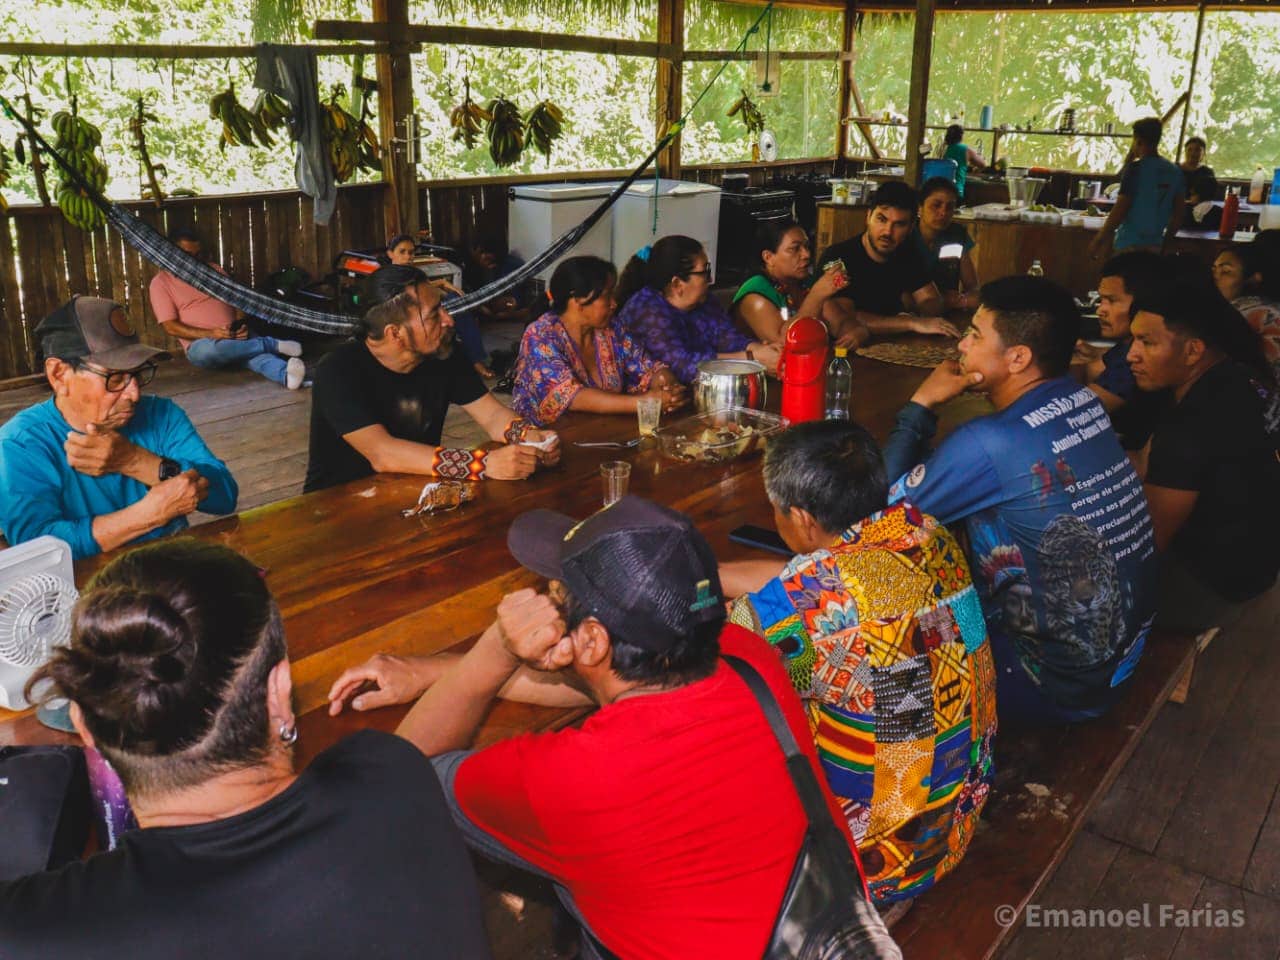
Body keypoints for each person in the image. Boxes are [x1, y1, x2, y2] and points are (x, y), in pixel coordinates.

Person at [328, 496, 900, 958]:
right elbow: (615, 687)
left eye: (558, 596)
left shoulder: (570, 777)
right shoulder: (749, 656)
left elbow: (400, 777)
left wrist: (496, 650)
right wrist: (429, 671)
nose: (552, 603)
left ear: (593, 639)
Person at [0, 539, 491, 959]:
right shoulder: (393, 775)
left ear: (84, 727)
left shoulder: (35, 932)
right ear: (279, 691)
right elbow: (402, 756)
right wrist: (498, 649)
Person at [719, 421, 996, 906]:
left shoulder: (801, 602)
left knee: (732, 719)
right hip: (955, 823)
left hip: (872, 861)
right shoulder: (928, 534)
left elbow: (707, 661)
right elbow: (833, 585)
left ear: (803, 519)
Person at [882, 276, 1156, 725]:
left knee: (867, 627)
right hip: (1120, 660)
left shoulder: (992, 441)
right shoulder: (1082, 403)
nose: (962, 347)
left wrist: (922, 404)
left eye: (974, 334)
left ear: (1018, 358)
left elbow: (880, 518)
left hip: (1055, 685)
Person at [0, 296, 236, 559]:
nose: (134, 394)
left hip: (170, 571)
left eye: (137, 373)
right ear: (59, 375)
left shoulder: (161, 414)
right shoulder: (21, 443)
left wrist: (136, 461)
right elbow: (36, 548)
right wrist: (150, 515)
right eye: (116, 378)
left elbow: (225, 495)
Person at [304, 264, 559, 493]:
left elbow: (492, 416)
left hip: (413, 488)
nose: (448, 320)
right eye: (435, 314)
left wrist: (529, 436)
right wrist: (484, 464)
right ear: (396, 334)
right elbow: (383, 454)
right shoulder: (338, 370)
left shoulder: (444, 354)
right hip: (335, 507)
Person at [1126, 274, 1280, 632]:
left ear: (1193, 350)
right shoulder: (1241, 377)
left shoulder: (1192, 425)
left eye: (1146, 342)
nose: (1131, 355)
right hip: (1256, 569)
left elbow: (1145, 545)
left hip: (1208, 590)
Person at [512, 255, 686, 426]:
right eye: (607, 296)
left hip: (601, 431)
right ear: (578, 300)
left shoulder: (612, 328)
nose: (614, 303)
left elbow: (648, 366)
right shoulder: (540, 335)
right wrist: (646, 402)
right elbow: (572, 398)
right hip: (548, 440)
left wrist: (667, 386)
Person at [149, 228, 306, 390]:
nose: (195, 260)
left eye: (198, 255)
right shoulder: (161, 282)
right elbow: (170, 326)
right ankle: (271, 344)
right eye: (189, 255)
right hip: (203, 343)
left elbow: (236, 300)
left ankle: (286, 377)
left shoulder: (214, 270)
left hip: (234, 335)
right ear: (172, 252)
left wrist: (240, 323)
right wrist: (211, 334)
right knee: (209, 351)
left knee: (254, 355)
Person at [615, 234, 781, 381]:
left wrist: (761, 350)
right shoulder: (647, 310)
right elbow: (683, 367)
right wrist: (752, 358)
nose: (710, 279)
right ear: (677, 284)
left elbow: (727, 337)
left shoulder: (704, 300)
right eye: (705, 272)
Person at [817, 182, 960, 338]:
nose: (888, 231)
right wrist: (911, 322)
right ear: (868, 216)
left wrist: (920, 312)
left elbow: (932, 299)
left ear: (911, 227)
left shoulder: (907, 254)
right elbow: (846, 317)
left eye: (899, 224)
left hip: (896, 346)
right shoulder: (838, 258)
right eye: (881, 219)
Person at [731, 219, 867, 347]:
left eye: (806, 246)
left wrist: (859, 333)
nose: (806, 254)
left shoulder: (802, 283)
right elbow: (785, 343)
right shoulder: (755, 297)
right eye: (795, 249)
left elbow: (841, 323)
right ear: (769, 257)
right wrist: (816, 296)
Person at [1090, 117, 1185, 258]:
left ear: (1138, 141)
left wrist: (1099, 239)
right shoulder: (1175, 172)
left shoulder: (1136, 169)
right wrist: (1165, 244)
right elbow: (1178, 216)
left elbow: (1120, 209)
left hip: (1128, 245)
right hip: (1155, 247)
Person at [915, 177, 980, 311]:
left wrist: (964, 300)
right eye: (936, 205)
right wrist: (947, 301)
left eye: (950, 207)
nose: (943, 212)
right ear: (920, 208)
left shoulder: (957, 235)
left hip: (949, 314)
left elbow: (972, 286)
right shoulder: (906, 235)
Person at [941, 124, 987, 200]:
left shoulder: (947, 149)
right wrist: (977, 170)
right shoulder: (965, 149)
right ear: (961, 136)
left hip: (945, 189)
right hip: (957, 191)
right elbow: (983, 164)